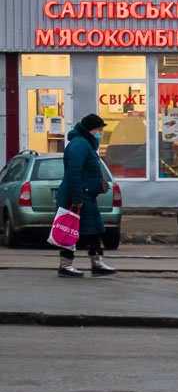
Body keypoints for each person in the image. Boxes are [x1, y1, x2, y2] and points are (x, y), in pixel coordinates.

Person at [55, 114, 117, 277]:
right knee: (70, 229)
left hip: (86, 195)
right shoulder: (80, 145)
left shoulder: (85, 144)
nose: (101, 133)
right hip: (77, 196)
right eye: (99, 130)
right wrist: (77, 199)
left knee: (95, 229)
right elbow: (74, 173)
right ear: (91, 130)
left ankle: (97, 262)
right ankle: (66, 265)